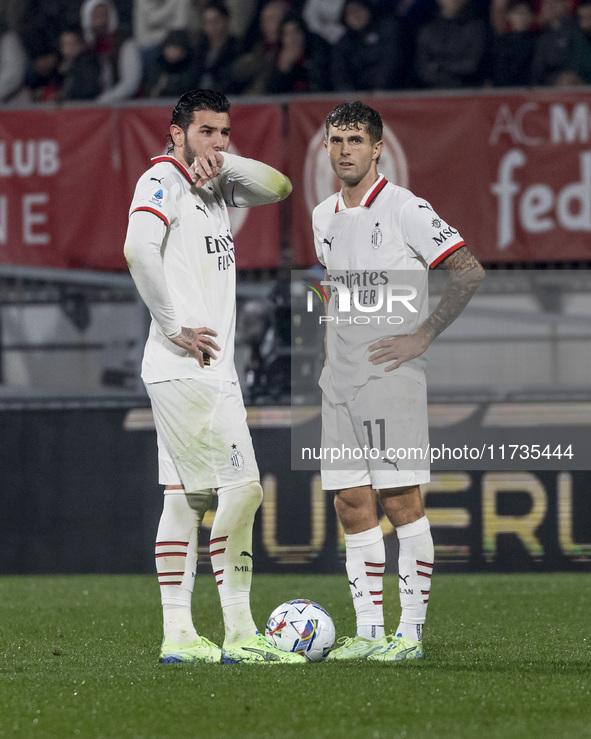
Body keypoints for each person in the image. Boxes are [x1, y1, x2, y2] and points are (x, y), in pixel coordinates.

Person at [123, 89, 304, 665]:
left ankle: (178, 635)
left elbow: (280, 187)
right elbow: (136, 250)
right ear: (175, 132)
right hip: (188, 367)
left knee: (186, 497)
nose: (217, 141)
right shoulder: (162, 183)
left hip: (197, 371)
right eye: (205, 132)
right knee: (243, 489)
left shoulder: (216, 185)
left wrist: (226, 163)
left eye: (224, 132)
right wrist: (175, 326)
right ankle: (239, 631)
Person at [312, 101, 484, 661]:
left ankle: (408, 635)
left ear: (378, 147)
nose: (344, 151)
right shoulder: (322, 216)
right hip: (338, 381)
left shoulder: (407, 208)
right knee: (350, 503)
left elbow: (467, 270)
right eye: (336, 140)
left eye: (355, 141)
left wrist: (424, 335)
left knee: (400, 499)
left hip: (390, 377)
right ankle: (367, 634)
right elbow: (333, 287)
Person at [414, 0, 490, 89]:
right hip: (433, 92)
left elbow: (471, 66)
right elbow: (422, 71)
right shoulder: (427, 31)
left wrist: (440, 65)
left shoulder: (477, 28)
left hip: (468, 91)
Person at [80, 0, 142, 102]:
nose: (100, 22)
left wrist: (104, 100)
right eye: (96, 16)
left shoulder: (126, 45)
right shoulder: (87, 50)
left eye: (103, 15)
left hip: (125, 107)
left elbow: (130, 83)